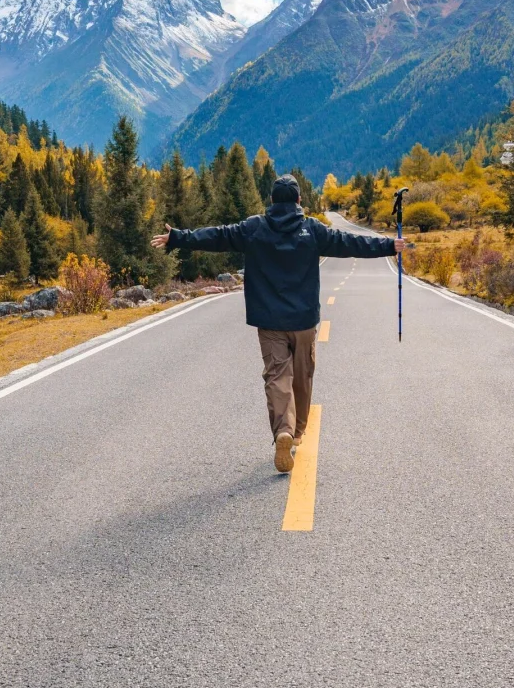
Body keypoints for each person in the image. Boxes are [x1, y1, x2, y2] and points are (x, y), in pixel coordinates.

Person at [152, 174, 404, 474]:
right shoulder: (312, 229)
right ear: (299, 200)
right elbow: (350, 243)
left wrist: (179, 237)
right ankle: (296, 433)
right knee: (302, 376)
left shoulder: (254, 228)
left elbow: (218, 236)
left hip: (269, 321)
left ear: (271, 200)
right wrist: (390, 246)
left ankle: (282, 430)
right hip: (304, 320)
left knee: (276, 377)